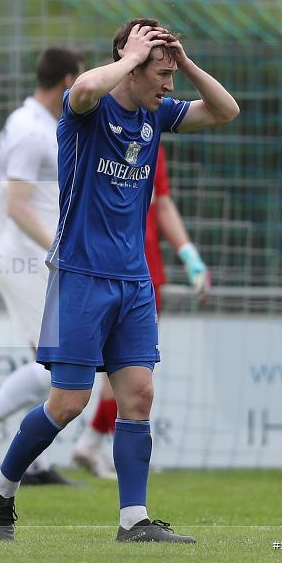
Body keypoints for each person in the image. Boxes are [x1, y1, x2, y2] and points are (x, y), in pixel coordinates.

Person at [0, 18, 239, 543]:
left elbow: (225, 110)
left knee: (139, 395)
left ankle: (133, 520)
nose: (169, 85)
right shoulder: (88, 111)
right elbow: (84, 88)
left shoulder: (156, 115)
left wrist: (184, 62)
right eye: (161, 74)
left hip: (134, 280)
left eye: (172, 75)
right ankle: (2, 488)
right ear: (131, 65)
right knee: (68, 404)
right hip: (80, 275)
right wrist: (131, 56)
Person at [0, 47, 85, 487]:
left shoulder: (44, 124)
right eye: (81, 78)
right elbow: (17, 205)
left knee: (49, 363)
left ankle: (31, 462)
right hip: (27, 257)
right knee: (54, 364)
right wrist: (60, 249)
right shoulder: (29, 129)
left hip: (38, 256)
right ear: (68, 80)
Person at [71, 145, 210, 478]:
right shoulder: (92, 132)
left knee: (130, 374)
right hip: (100, 269)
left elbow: (162, 202)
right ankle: (118, 455)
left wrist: (189, 255)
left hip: (145, 272)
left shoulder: (151, 140)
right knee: (115, 376)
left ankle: (95, 445)